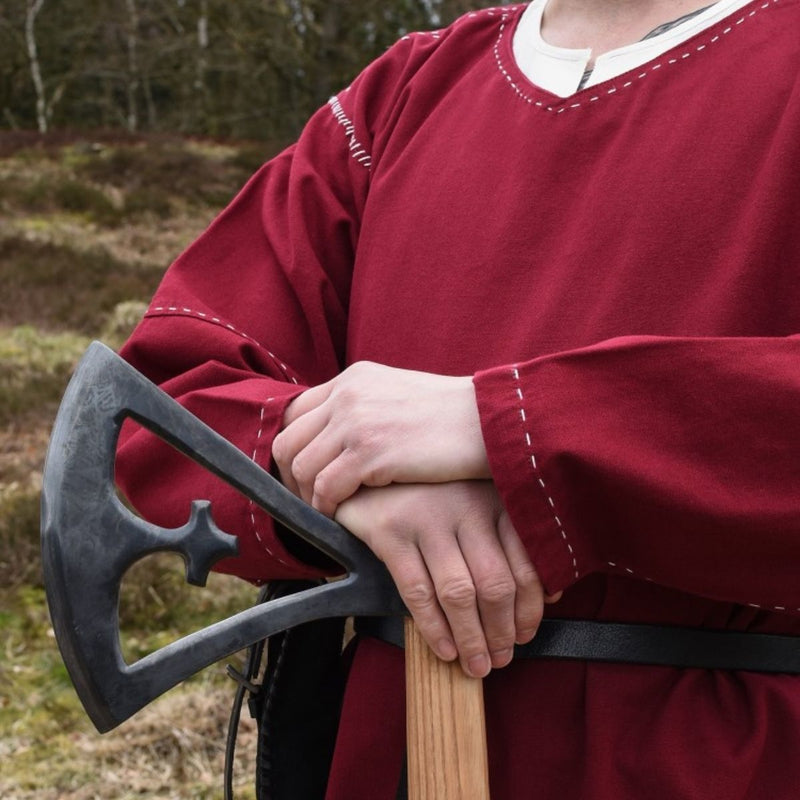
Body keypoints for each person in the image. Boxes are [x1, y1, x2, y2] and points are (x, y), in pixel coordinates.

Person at [116, 0, 800, 797]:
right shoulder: (405, 94)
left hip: (727, 760)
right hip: (385, 751)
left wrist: (513, 427)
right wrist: (334, 484)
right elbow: (163, 398)